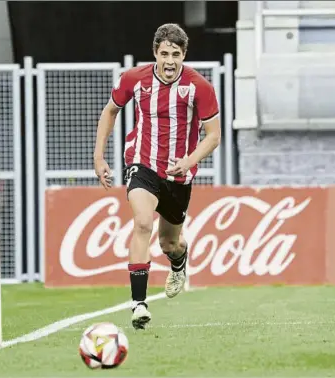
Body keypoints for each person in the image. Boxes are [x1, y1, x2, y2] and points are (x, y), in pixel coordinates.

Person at [93, 23, 221, 330]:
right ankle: (139, 304)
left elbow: (213, 136)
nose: (169, 61)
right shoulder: (134, 79)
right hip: (143, 164)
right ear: (155, 54)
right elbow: (110, 111)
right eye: (164, 53)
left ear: (184, 55)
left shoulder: (199, 87)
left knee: (168, 243)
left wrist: (187, 161)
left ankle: (179, 261)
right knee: (142, 223)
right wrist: (99, 157)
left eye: (175, 54)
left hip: (179, 175)